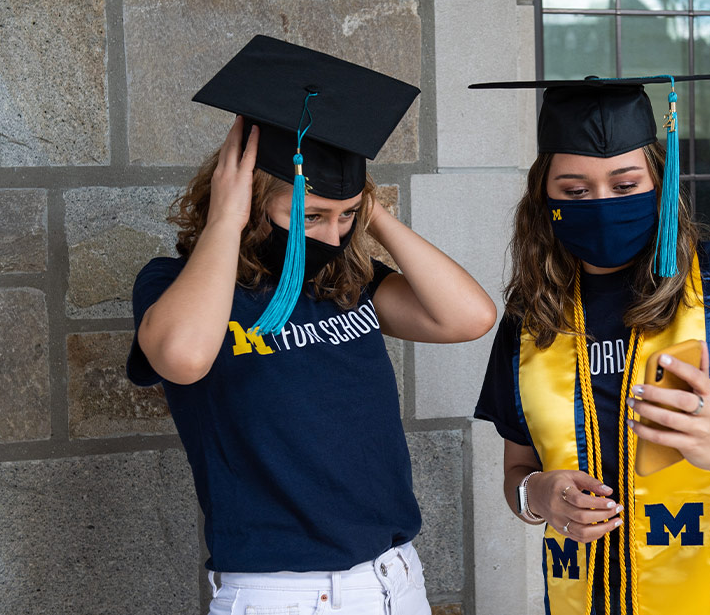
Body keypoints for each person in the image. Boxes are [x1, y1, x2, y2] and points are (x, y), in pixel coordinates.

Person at [126, 35, 496, 615]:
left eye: (345, 217)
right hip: (287, 592)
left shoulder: (349, 283)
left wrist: (366, 209)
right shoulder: (174, 283)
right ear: (249, 202)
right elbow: (182, 357)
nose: (331, 236)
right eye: (309, 216)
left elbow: (470, 317)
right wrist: (226, 218)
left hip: (395, 575)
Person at [471, 76, 710, 615]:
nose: (602, 202)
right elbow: (518, 470)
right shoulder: (533, 312)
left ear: (659, 181)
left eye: (625, 184)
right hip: (590, 596)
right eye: (576, 190)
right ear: (545, 198)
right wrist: (537, 495)